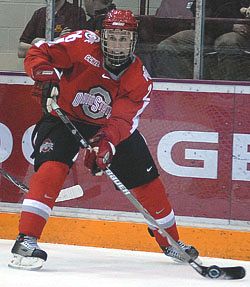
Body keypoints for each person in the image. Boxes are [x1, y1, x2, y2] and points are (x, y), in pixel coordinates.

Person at [8, 9, 199, 270]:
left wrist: (106, 144)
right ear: (101, 36)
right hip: (66, 116)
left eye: (124, 38)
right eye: (112, 37)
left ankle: (172, 243)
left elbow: (122, 120)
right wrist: (43, 72)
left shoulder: (139, 79)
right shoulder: (82, 43)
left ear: (133, 41)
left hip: (108, 127)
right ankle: (26, 240)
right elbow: (40, 49)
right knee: (52, 168)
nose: (117, 44)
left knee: (148, 184)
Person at [152, 0, 246, 80]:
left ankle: (228, 88)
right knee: (167, 46)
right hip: (207, 31)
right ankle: (181, 86)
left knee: (228, 43)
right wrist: (228, 26)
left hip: (238, 32)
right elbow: (197, 10)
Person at [18, 0, 87, 58]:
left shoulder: (75, 13)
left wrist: (37, 42)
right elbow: (21, 50)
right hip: (39, 66)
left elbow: (66, 49)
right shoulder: (39, 14)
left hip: (63, 69)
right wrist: (55, 41)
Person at [214, 1, 250, 80]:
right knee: (229, 41)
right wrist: (230, 26)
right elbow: (208, 17)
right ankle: (230, 87)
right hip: (225, 33)